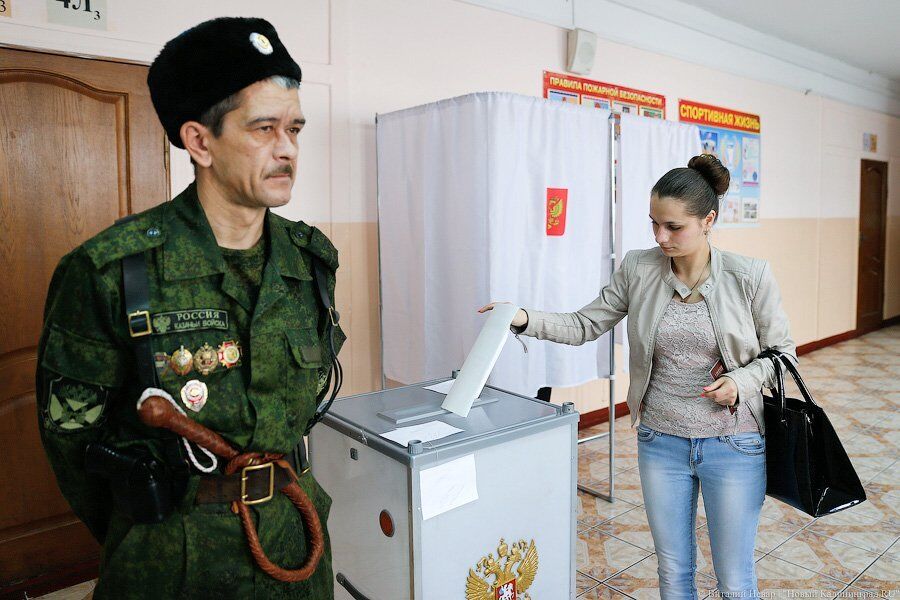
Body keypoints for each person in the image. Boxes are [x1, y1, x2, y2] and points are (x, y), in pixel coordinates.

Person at [36, 17, 345, 599]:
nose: (287, 149)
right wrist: (145, 525)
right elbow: (73, 442)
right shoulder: (111, 270)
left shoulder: (309, 261)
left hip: (292, 538)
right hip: (174, 560)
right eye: (264, 129)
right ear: (200, 142)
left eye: (294, 129)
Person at [480, 154, 795, 599]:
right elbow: (584, 324)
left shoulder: (749, 276)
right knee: (673, 570)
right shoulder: (639, 268)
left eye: (674, 227)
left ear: (708, 220)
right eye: (654, 224)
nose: (660, 237)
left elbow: (783, 355)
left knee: (735, 579)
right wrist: (524, 317)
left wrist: (740, 383)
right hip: (660, 442)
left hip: (734, 443)